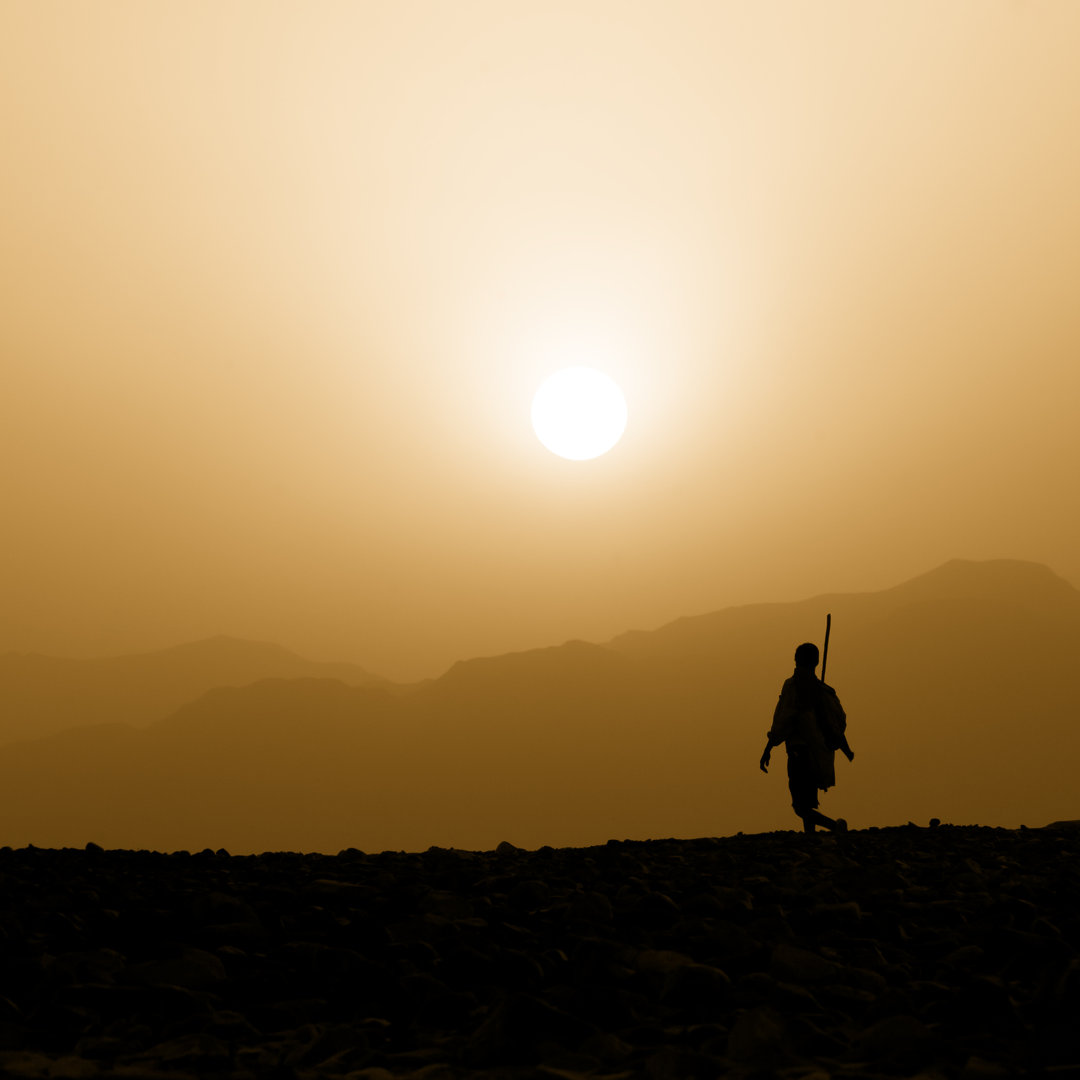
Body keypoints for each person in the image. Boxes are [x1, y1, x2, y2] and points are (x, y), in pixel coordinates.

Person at [759, 642, 854, 834]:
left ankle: (834, 827)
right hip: (815, 754)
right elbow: (834, 723)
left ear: (796, 660)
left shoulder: (793, 687)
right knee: (808, 802)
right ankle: (810, 839)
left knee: (800, 807)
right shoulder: (822, 690)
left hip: (798, 754)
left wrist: (768, 748)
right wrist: (846, 749)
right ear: (816, 662)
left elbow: (783, 720)